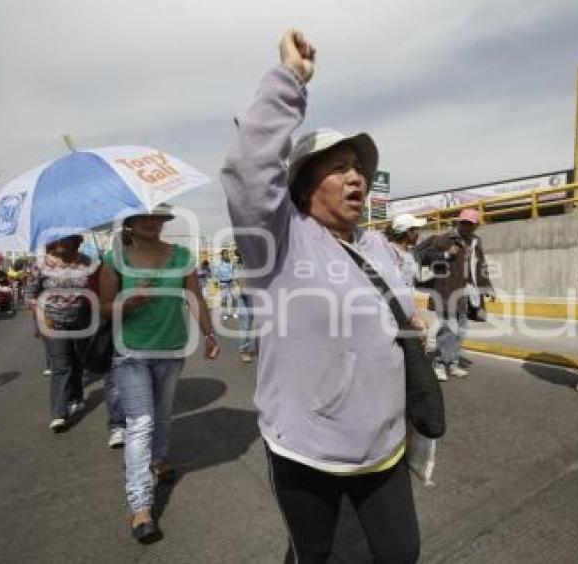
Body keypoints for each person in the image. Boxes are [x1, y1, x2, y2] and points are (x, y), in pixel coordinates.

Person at [221, 30, 421, 563]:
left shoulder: (377, 245)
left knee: (402, 554)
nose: (357, 177)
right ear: (306, 185)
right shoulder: (278, 239)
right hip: (305, 446)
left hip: (383, 442)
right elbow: (247, 170)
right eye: (339, 167)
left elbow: (395, 316)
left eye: (360, 168)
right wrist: (289, 82)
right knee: (312, 553)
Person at [98, 204, 219, 544]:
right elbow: (103, 307)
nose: (152, 223)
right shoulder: (114, 260)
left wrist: (209, 334)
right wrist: (127, 302)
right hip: (130, 352)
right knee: (140, 423)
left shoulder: (181, 255)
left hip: (171, 349)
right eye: (144, 218)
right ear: (131, 225)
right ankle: (141, 507)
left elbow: (194, 297)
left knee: (163, 415)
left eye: (158, 217)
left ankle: (159, 458)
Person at [416, 208, 495, 380]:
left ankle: (452, 363)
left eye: (471, 224)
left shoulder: (475, 242)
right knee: (447, 328)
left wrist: (487, 287)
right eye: (464, 223)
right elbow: (420, 254)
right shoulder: (442, 239)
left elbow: (481, 265)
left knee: (460, 329)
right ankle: (438, 363)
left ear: (476, 226)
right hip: (446, 289)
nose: (467, 227)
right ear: (458, 223)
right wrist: (445, 254)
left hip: (468, 291)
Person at [26, 235, 93, 432]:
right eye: (58, 240)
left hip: (82, 321)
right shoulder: (41, 264)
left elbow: (96, 288)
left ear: (76, 242)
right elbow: (30, 295)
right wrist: (41, 315)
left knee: (78, 361)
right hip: (53, 322)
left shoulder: (87, 262)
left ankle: (76, 396)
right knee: (61, 366)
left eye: (68, 240)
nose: (62, 244)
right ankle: (59, 413)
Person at [214, 249, 237, 320]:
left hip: (231, 283)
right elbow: (215, 275)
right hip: (223, 284)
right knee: (224, 300)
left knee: (234, 298)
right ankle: (225, 314)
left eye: (228, 254)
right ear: (222, 255)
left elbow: (234, 272)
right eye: (226, 254)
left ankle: (233, 313)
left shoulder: (231, 263)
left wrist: (235, 281)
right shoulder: (218, 264)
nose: (227, 255)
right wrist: (216, 285)